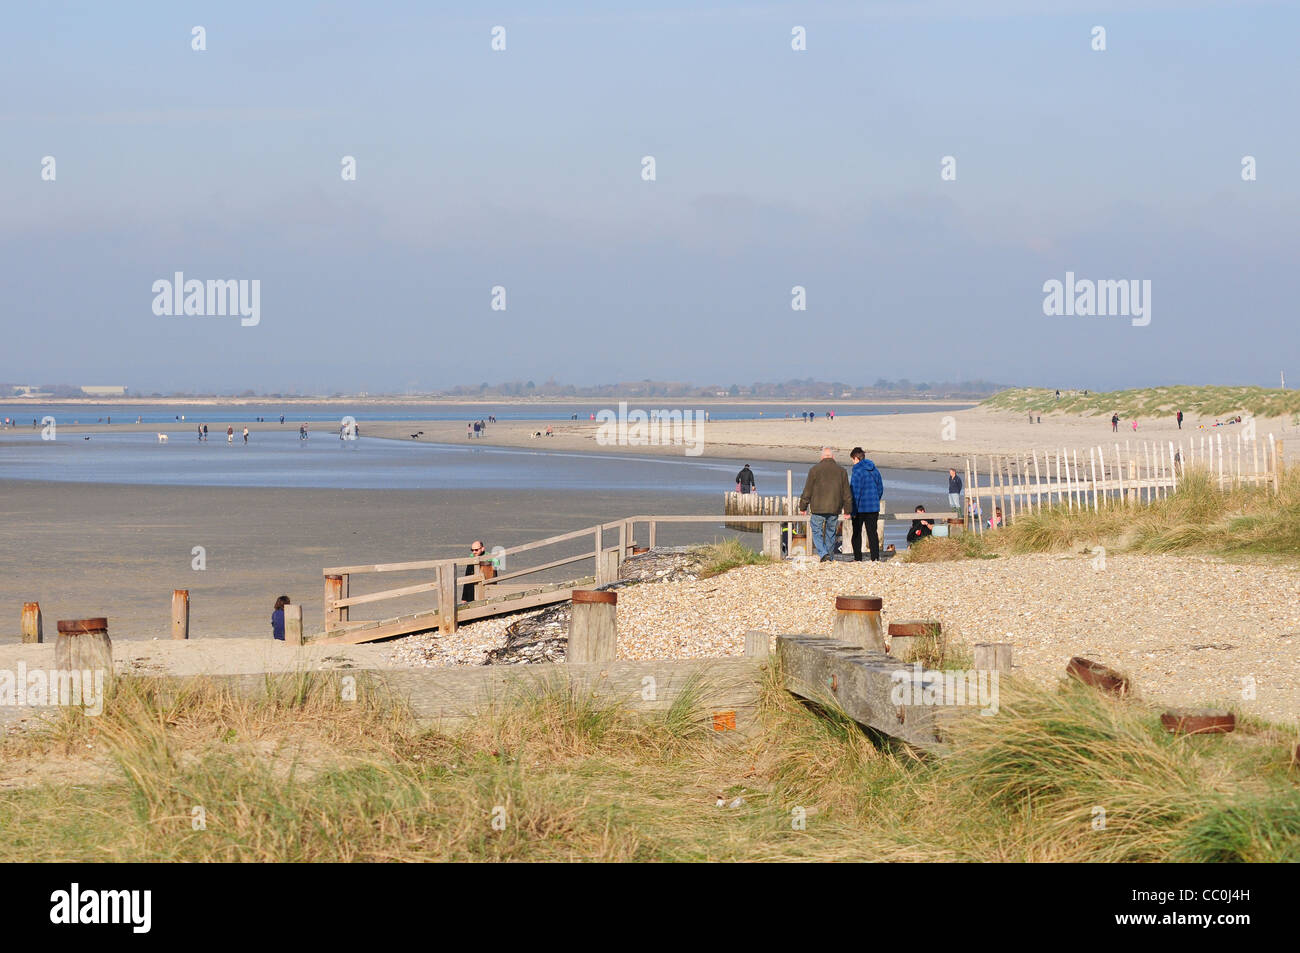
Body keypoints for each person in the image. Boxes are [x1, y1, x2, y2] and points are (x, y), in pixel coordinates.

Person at [798, 447, 852, 563]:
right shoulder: (842, 471)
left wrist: (803, 507)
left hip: (818, 508)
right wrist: (847, 510)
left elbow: (807, 490)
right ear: (833, 457)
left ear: (822, 457)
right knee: (830, 533)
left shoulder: (814, 470)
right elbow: (847, 493)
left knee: (817, 531)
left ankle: (824, 554)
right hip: (834, 508)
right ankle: (829, 557)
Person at [849, 447, 883, 562]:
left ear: (856, 458)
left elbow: (855, 492)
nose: (853, 462)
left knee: (856, 533)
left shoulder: (857, 471)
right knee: (872, 533)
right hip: (873, 507)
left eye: (853, 460)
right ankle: (875, 558)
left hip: (860, 508)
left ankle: (858, 558)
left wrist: (853, 510)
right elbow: (880, 488)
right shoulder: (874, 469)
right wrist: (875, 499)